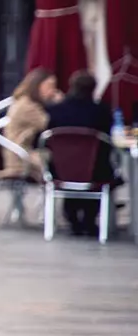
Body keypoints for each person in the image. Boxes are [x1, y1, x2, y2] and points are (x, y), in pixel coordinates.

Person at [45, 71, 116, 237]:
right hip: (95, 171)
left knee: (72, 165)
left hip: (61, 169)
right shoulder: (102, 111)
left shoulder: (55, 111)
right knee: (96, 164)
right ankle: (89, 220)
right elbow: (108, 139)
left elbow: (46, 138)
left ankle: (73, 218)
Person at [0, 69, 54, 181]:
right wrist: (59, 103)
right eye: (49, 86)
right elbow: (49, 124)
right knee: (60, 157)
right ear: (38, 85)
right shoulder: (28, 107)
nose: (53, 91)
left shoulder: (22, 101)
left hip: (19, 154)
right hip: (20, 158)